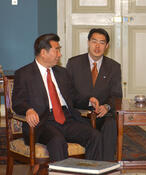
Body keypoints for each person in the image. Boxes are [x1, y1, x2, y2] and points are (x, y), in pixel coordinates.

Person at [12, 33, 103, 162]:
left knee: (95, 136)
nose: (60, 54)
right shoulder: (24, 74)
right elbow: (17, 101)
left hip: (67, 119)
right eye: (57, 50)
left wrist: (89, 100)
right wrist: (28, 110)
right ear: (44, 52)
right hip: (43, 122)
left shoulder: (62, 73)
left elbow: (73, 97)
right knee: (57, 141)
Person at [66, 28, 122, 161]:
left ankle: (106, 166)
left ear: (107, 46)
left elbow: (116, 95)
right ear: (88, 42)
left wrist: (107, 106)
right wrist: (88, 100)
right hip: (80, 114)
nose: (97, 46)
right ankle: (91, 167)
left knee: (111, 124)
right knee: (91, 133)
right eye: (94, 41)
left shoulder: (114, 67)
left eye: (102, 43)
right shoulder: (74, 63)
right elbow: (67, 94)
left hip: (102, 115)